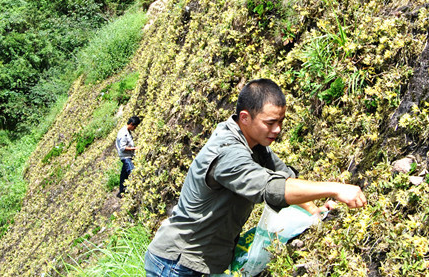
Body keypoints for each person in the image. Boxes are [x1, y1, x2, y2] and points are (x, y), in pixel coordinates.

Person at [144, 79, 366, 276]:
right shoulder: (228, 152)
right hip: (175, 264)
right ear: (245, 118)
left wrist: (314, 211)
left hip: (201, 262)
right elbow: (271, 189)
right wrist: (335, 189)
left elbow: (285, 180)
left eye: (281, 121)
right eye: (270, 123)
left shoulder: (256, 144)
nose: (277, 129)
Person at [116, 115, 141, 197]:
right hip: (126, 156)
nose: (135, 129)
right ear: (131, 124)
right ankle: (136, 191)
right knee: (132, 171)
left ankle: (122, 192)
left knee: (124, 174)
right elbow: (123, 148)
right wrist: (134, 148)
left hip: (127, 156)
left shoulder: (126, 131)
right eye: (135, 126)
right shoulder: (124, 133)